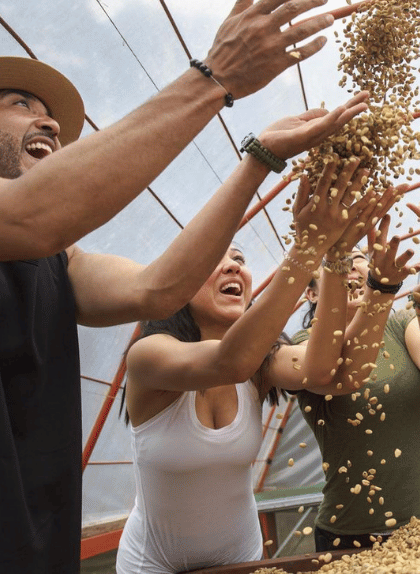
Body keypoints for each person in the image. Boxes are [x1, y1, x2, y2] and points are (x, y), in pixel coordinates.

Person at [0, 0, 365, 570]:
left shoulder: (60, 261)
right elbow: (31, 213)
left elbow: (161, 289)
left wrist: (260, 160)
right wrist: (215, 79)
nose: (53, 124)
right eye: (21, 102)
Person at [115, 161, 393, 573]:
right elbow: (227, 362)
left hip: (242, 558)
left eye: (239, 257)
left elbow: (325, 374)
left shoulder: (263, 364)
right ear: (177, 282)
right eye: (214, 258)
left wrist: (336, 258)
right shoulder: (150, 356)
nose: (232, 266)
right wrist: (308, 245)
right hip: (153, 565)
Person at [295, 211, 420, 551]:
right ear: (311, 294)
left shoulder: (403, 324)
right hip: (349, 533)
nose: (350, 264)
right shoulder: (303, 345)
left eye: (359, 257)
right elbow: (333, 372)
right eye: (336, 260)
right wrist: (380, 292)